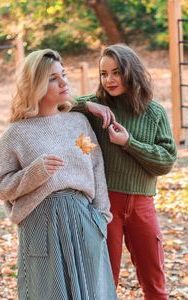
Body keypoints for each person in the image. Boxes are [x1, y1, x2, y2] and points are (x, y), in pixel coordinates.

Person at [0, 49, 117, 300]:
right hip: (40, 224)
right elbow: (1, 187)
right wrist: (33, 173)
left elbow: (96, 168)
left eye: (64, 75)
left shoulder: (77, 123)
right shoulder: (15, 134)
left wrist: (101, 217)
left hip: (85, 220)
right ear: (35, 84)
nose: (63, 82)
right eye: (52, 78)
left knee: (95, 293)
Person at [74, 43, 177, 300]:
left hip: (142, 204)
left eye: (117, 72)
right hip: (105, 204)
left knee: (155, 281)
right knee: (106, 281)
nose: (109, 79)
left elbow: (165, 161)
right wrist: (90, 107)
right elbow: (58, 102)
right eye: (103, 73)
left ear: (132, 72)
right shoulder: (98, 105)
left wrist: (129, 143)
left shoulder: (154, 113)